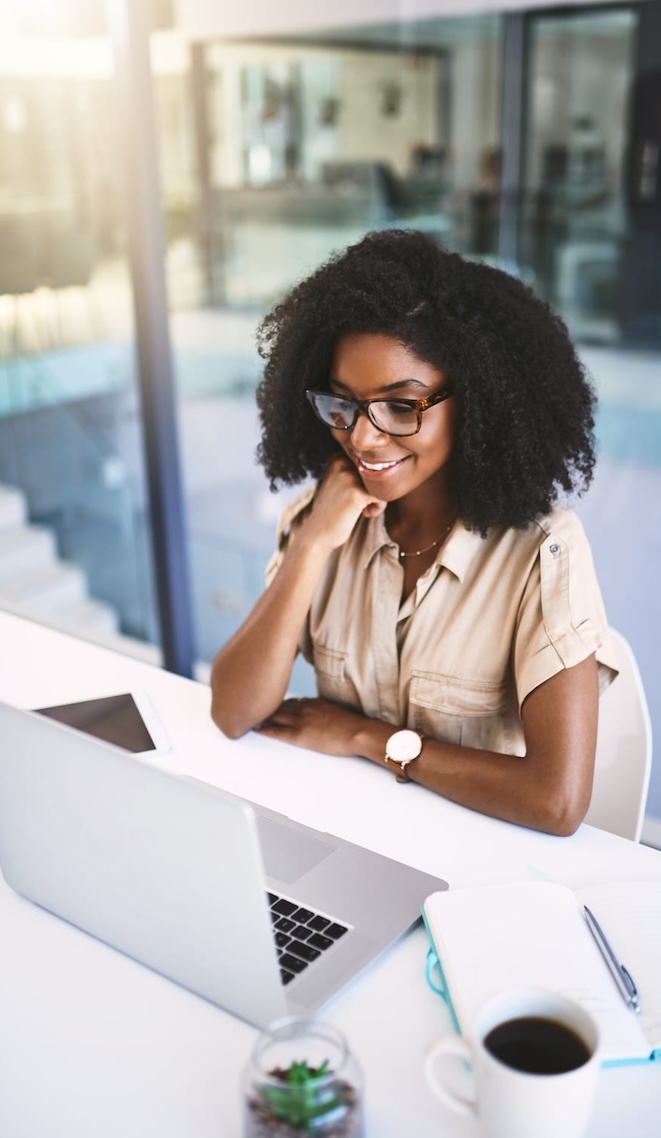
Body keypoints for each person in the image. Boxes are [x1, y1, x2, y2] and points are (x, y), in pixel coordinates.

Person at [210, 229, 618, 836]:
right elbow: (233, 710)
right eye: (343, 404)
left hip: (477, 863)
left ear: (475, 402)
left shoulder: (541, 550)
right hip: (346, 835)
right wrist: (313, 544)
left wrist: (365, 737)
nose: (364, 438)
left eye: (401, 406)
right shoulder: (320, 521)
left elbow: (556, 802)